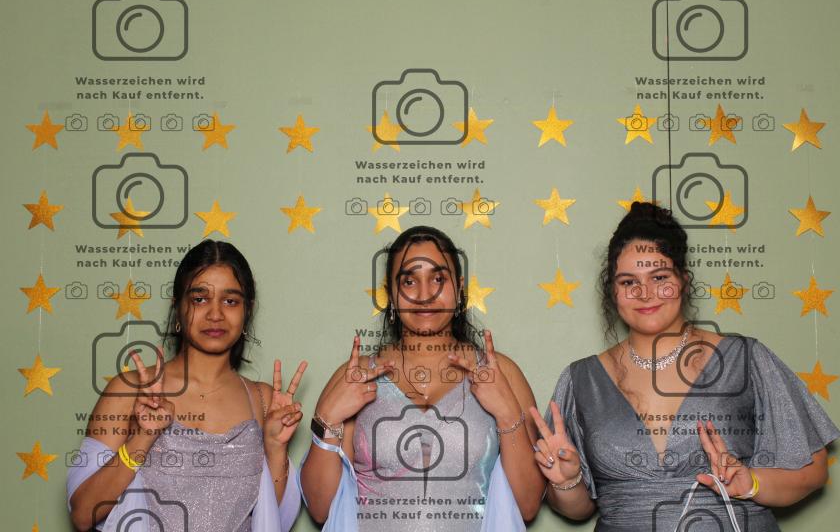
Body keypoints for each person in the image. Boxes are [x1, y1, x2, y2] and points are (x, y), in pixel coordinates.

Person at [531, 201, 840, 531]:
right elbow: (577, 509)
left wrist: (751, 483)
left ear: (683, 280)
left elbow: (813, 470)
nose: (645, 293)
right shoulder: (581, 380)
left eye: (659, 277)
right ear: (613, 292)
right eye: (628, 282)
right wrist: (566, 481)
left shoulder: (744, 359)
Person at [299, 225, 544, 531]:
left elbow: (528, 505)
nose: (425, 295)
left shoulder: (501, 373)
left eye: (439, 279)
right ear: (391, 293)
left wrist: (507, 414)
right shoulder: (355, 376)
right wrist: (328, 417)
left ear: (460, 289)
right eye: (409, 281)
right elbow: (320, 509)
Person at [67, 240, 307, 531]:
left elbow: (273, 521)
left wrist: (276, 448)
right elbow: (83, 514)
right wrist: (143, 437)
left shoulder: (262, 398)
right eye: (200, 299)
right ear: (178, 307)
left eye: (230, 301)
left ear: (247, 311)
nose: (215, 314)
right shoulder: (129, 390)